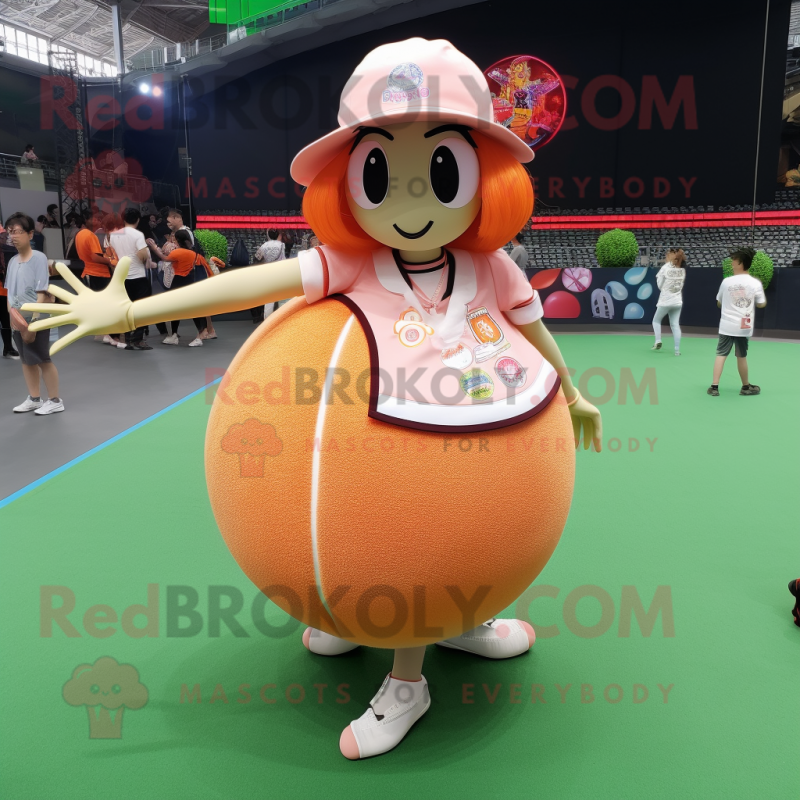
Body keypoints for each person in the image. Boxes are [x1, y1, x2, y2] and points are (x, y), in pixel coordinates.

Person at [27, 38, 603, 761]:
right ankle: (361, 617)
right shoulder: (352, 262)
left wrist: (573, 394)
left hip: (489, 427)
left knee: (447, 540)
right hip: (385, 437)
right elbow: (250, 285)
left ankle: (430, 655)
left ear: (485, 179)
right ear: (348, 182)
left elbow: (534, 327)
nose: (412, 198)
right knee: (404, 535)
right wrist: (133, 310)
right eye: (380, 173)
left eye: (441, 170)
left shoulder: (488, 268)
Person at [4, 212, 63, 414]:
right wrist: (12, 317)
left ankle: (55, 400)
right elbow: (10, 292)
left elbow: (42, 292)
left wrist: (34, 323)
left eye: (17, 231)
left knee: (42, 358)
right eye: (10, 232)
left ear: (30, 234)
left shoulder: (39, 258)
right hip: (18, 319)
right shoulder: (13, 261)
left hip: (37, 318)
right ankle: (34, 398)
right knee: (26, 359)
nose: (13, 236)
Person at [708, 246, 767, 396]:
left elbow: (718, 302)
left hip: (727, 325)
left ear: (740, 263)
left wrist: (727, 303)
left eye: (734, 260)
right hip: (743, 326)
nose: (732, 262)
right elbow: (761, 304)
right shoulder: (755, 283)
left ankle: (714, 387)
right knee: (741, 356)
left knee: (721, 354)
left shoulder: (726, 282)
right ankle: (745, 387)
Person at [146, 229, 207, 346]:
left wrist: (154, 248)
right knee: (193, 310)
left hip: (178, 282)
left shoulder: (177, 252)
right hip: (190, 281)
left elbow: (164, 258)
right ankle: (200, 335)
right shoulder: (194, 253)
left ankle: (174, 335)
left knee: (175, 310)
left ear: (178, 240)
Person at [75, 212, 125, 348]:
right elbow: (95, 257)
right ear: (87, 219)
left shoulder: (80, 234)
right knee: (109, 305)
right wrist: (111, 261)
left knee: (100, 305)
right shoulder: (91, 236)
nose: (98, 221)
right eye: (96, 219)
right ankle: (110, 334)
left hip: (90, 272)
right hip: (98, 273)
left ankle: (103, 332)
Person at [110, 208, 153, 350]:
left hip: (122, 276)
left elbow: (113, 254)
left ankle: (127, 338)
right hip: (138, 276)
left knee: (126, 308)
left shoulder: (114, 235)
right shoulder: (138, 234)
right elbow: (142, 255)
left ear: (123, 219)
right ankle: (138, 339)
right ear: (138, 219)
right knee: (141, 308)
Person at [651, 247, 686, 355]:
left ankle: (658, 340)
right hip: (677, 301)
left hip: (665, 300)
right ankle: (677, 350)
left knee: (656, 320)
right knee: (675, 325)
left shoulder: (665, 268)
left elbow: (659, 285)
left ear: (671, 256)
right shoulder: (682, 270)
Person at [253, 229, 285, 323]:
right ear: (278, 235)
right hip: (280, 273)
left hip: (268, 273)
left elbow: (257, 258)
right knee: (282, 297)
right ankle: (282, 319)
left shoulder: (264, 245)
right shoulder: (281, 245)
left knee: (269, 300)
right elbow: (284, 259)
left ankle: (267, 321)